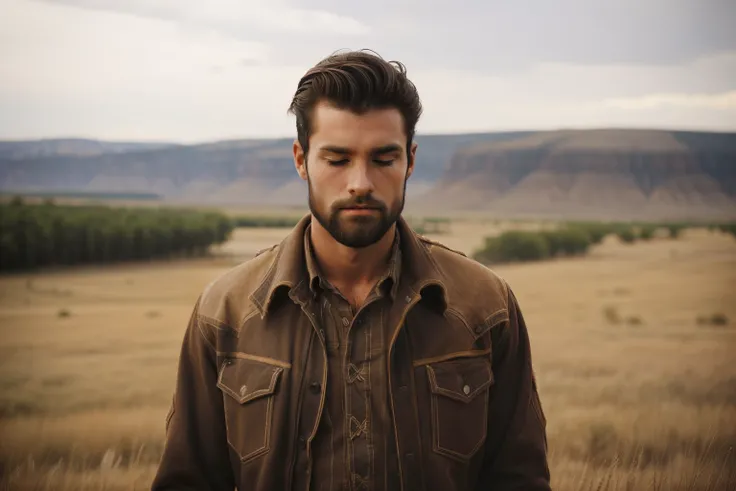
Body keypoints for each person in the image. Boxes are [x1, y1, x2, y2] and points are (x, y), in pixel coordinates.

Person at [151, 49, 550, 491]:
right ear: (301, 160)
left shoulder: (485, 305)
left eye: (383, 159)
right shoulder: (225, 310)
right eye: (337, 159)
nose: (360, 182)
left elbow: (520, 478)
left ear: (410, 162)